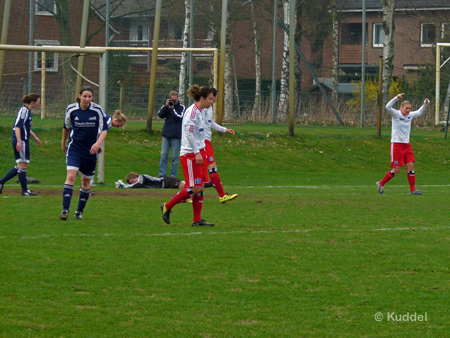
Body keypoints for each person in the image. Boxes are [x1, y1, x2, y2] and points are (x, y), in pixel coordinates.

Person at [161, 85, 215, 226]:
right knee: (195, 188)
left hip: (199, 151)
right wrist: (197, 152)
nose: (212, 101)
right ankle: (167, 205)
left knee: (201, 186)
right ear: (202, 98)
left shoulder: (201, 111)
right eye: (210, 99)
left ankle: (197, 219)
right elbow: (189, 133)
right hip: (190, 154)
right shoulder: (192, 112)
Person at [59, 87, 112, 220]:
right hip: (74, 148)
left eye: (90, 97)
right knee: (71, 176)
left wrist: (97, 143)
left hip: (90, 151)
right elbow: (66, 127)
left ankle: (79, 212)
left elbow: (104, 130)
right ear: (80, 96)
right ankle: (65, 210)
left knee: (85, 180)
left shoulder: (97, 110)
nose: (87, 99)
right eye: (85, 96)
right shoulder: (71, 109)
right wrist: (63, 142)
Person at [376, 93, 430, 195]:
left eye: (409, 108)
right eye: (406, 108)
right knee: (397, 169)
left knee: (410, 166)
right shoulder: (396, 114)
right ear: (401, 108)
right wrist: (396, 98)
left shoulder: (410, 115)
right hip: (397, 145)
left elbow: (419, 112)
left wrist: (425, 104)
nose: (408, 110)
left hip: (406, 145)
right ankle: (381, 183)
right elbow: (387, 106)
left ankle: (412, 189)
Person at [0, 94, 42, 196]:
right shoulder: (24, 111)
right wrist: (19, 141)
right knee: (23, 165)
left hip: (23, 140)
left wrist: (35, 137)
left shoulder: (27, 111)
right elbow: (18, 127)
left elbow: (25, 128)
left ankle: (1, 182)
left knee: (21, 165)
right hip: (21, 140)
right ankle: (25, 190)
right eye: (38, 102)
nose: (39, 104)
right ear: (32, 102)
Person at [203, 88, 238, 203]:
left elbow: (210, 123)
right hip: (202, 142)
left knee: (201, 171)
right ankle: (222, 195)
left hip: (206, 141)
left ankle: (187, 195)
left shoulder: (209, 108)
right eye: (214, 96)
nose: (215, 99)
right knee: (212, 167)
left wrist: (224, 129)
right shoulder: (201, 108)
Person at [158, 91, 185, 177]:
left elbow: (180, 118)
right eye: (173, 96)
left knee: (174, 157)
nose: (174, 98)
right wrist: (166, 107)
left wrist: (173, 110)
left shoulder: (181, 107)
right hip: (166, 135)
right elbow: (160, 115)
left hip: (176, 136)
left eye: (176, 96)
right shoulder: (166, 106)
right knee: (163, 155)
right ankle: (162, 174)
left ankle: (173, 176)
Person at [116, 172, 185, 189]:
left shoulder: (141, 177)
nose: (133, 182)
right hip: (165, 184)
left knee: (188, 186)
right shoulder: (140, 180)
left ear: (135, 176)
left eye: (133, 181)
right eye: (131, 182)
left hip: (168, 181)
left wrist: (125, 186)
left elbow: (138, 185)